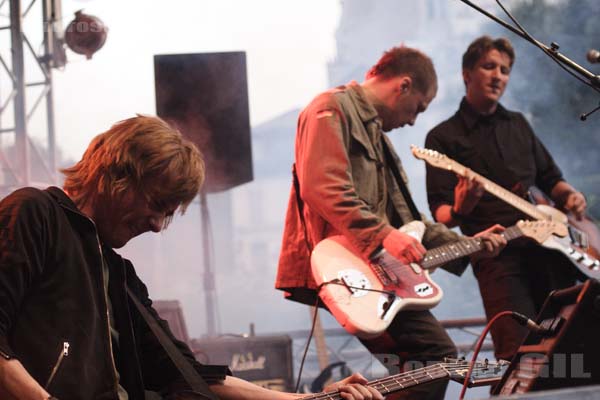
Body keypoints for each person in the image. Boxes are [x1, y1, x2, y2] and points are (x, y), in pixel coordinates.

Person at [0, 115, 383, 400]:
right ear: (116, 175)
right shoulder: (36, 214)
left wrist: (307, 399)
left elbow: (185, 372)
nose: (156, 225)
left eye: (167, 214)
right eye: (156, 205)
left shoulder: (119, 275)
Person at [276, 46, 507, 400]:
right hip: (347, 273)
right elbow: (322, 187)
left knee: (414, 365)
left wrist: (474, 246)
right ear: (403, 85)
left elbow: (411, 223)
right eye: (418, 107)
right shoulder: (329, 108)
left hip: (373, 276)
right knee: (433, 355)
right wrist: (385, 236)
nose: (414, 120)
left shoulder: (380, 141)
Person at [424, 36, 587, 361]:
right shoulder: (442, 138)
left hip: (552, 250)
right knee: (519, 355)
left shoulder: (518, 124)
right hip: (498, 258)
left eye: (505, 69)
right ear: (467, 73)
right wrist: (460, 208)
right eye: (489, 66)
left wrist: (570, 195)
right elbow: (442, 215)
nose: (498, 75)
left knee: (570, 348)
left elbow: (551, 178)